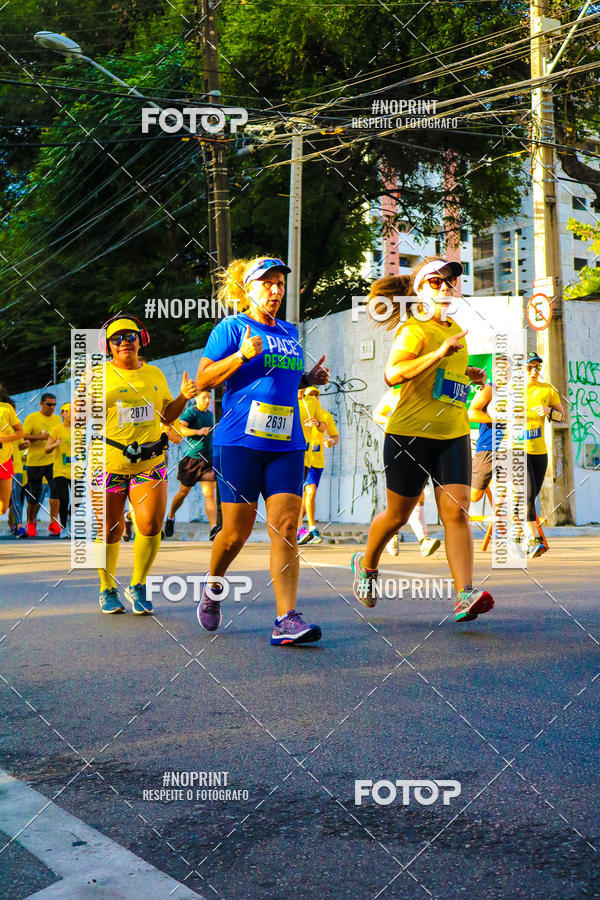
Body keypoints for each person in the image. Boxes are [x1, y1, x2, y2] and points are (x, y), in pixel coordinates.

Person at [351, 260, 494, 623]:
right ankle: (366, 563)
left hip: (453, 432)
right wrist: (438, 354)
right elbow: (392, 374)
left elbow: (444, 377)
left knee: (456, 509)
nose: (446, 286)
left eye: (451, 280)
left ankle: (464, 594)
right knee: (398, 515)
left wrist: (467, 374)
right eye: (436, 280)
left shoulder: (456, 330)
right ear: (419, 289)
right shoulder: (413, 330)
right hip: (410, 434)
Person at [196, 256, 328, 644]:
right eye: (267, 283)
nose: (275, 290)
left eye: (280, 284)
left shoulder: (289, 331)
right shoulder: (231, 328)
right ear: (247, 289)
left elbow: (280, 379)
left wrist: (308, 378)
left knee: (287, 528)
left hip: (287, 441)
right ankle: (213, 585)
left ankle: (286, 619)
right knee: (235, 533)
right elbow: (205, 378)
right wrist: (240, 356)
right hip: (239, 441)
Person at [78, 315, 198, 615]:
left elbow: (166, 417)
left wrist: (184, 396)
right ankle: (106, 588)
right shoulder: (95, 375)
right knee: (110, 530)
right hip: (108, 464)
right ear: (108, 346)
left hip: (150, 462)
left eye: (129, 336)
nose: (124, 343)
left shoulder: (154, 374)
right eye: (116, 339)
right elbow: (79, 416)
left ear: (140, 339)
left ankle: (138, 583)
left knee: (151, 524)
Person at [373, 387, 441, 558]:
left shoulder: (422, 391)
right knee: (400, 498)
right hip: (397, 447)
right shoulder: (391, 395)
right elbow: (377, 414)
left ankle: (423, 540)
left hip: (420, 447)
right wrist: (391, 423)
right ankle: (392, 535)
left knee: (419, 494)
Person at [524, 351, 564, 558]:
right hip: (515, 449)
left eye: (537, 367)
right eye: (529, 367)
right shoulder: (510, 391)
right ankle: (533, 539)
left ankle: (520, 534)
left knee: (530, 497)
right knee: (527, 495)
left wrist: (548, 411)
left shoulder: (547, 389)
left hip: (539, 451)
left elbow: (562, 416)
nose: (533, 371)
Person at [164, 389, 217, 539]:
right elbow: (180, 429)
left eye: (209, 398)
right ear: (197, 398)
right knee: (183, 493)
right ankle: (171, 516)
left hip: (207, 459)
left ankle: (213, 528)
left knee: (209, 493)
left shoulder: (210, 415)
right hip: (191, 460)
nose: (207, 400)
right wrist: (198, 432)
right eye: (204, 397)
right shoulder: (190, 413)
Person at [297, 386, 339, 545]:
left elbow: (332, 434)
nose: (314, 397)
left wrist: (330, 441)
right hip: (301, 457)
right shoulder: (299, 407)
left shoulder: (323, 413)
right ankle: (309, 528)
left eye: (316, 394)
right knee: (307, 492)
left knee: (308, 495)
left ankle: (299, 527)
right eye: (310, 394)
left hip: (316, 460)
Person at [22, 393, 62, 537]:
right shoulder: (32, 418)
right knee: (35, 494)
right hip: (35, 462)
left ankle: (53, 523)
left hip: (53, 461)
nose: (52, 407)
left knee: (56, 490)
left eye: (54, 405)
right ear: (41, 404)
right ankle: (31, 522)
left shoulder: (57, 419)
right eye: (49, 404)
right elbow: (23, 436)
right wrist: (41, 437)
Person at [45, 402, 72, 537]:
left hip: (77, 470)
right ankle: (64, 528)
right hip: (60, 470)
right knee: (64, 499)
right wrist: (56, 444)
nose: (71, 413)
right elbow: (47, 449)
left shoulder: (81, 430)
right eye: (67, 411)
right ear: (62, 413)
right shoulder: (57, 429)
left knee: (78, 501)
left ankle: (69, 517)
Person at [0, 397, 24, 521]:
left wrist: (3, 439)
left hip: (6, 461)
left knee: (3, 507)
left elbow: (20, 433)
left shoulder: (6, 409)